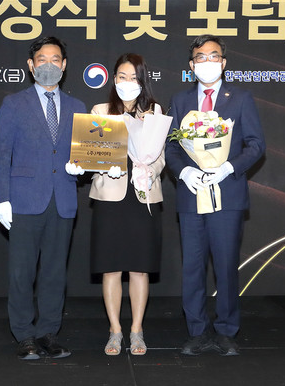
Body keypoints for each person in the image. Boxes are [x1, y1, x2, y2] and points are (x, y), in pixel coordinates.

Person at [165, 35, 266, 357]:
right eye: (200, 57)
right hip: (191, 195)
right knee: (192, 268)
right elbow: (170, 147)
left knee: (225, 265)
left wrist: (227, 168)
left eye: (213, 56)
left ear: (223, 62)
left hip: (228, 194)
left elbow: (256, 145)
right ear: (191, 65)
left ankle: (226, 330)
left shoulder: (240, 98)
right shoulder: (180, 100)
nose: (207, 62)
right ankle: (196, 330)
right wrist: (185, 172)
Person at [0, 36, 87, 360]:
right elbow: (3, 154)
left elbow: (83, 155)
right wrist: (2, 199)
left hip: (62, 199)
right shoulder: (13, 104)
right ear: (31, 66)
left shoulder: (78, 108)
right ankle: (24, 334)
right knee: (22, 272)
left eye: (55, 59)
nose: (49, 65)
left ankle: (48, 332)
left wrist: (81, 168)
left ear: (64, 65)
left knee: (54, 273)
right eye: (42, 59)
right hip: (23, 200)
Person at [66, 53, 165, 357]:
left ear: (142, 80)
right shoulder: (100, 111)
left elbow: (161, 157)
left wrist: (150, 171)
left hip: (142, 197)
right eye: (122, 76)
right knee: (110, 268)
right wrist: (93, 166)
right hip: (110, 197)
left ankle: (136, 330)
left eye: (134, 77)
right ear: (113, 79)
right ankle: (114, 330)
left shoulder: (154, 112)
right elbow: (90, 153)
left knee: (139, 268)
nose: (127, 82)